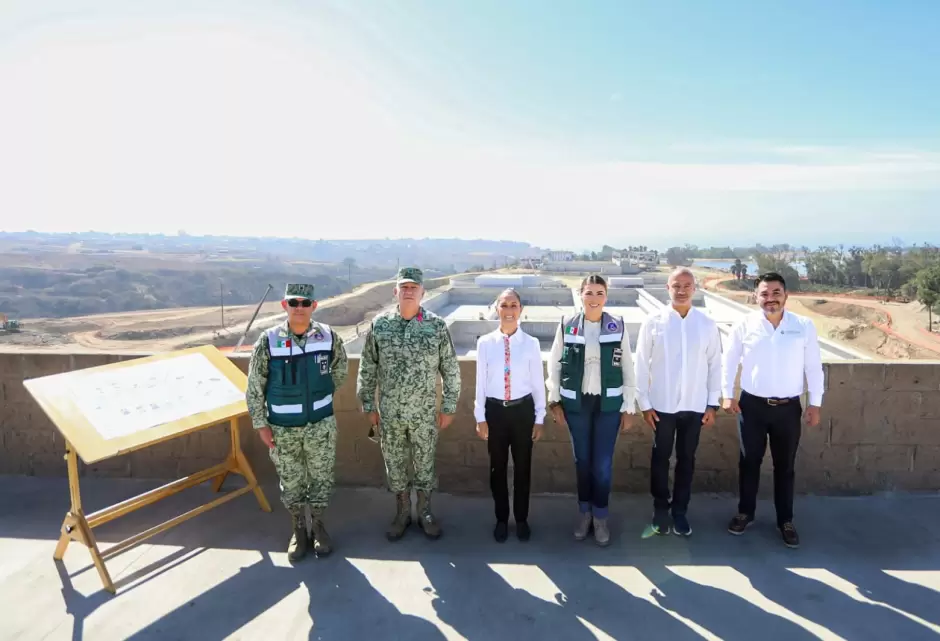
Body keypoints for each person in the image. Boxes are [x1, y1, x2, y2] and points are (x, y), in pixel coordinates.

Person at [357, 266, 461, 541]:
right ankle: (402, 512)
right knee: (395, 465)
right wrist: (368, 405)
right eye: (404, 287)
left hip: (425, 414)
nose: (408, 291)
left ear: (423, 292)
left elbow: (450, 369)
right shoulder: (381, 325)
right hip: (390, 413)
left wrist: (448, 406)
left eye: (414, 287)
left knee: (425, 464)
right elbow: (367, 367)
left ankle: (425, 512)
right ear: (396, 292)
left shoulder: (436, 326)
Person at [246, 283, 348, 562]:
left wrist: (318, 394)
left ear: (314, 306)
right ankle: (298, 530)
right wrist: (261, 425)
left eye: (306, 303)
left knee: (321, 480)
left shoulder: (328, 336)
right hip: (282, 429)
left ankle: (318, 526)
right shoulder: (268, 341)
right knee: (291, 484)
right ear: (284, 306)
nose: (300, 308)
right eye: (294, 302)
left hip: (321, 426)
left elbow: (340, 371)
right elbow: (255, 386)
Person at [722, 271, 824, 548]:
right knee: (749, 463)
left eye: (776, 293)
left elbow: (813, 367)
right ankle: (745, 513)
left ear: (786, 295)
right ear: (756, 297)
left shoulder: (803, 325)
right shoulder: (744, 324)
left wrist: (815, 403)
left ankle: (785, 521)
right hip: (751, 406)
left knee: (785, 467)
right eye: (764, 294)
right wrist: (726, 394)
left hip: (788, 409)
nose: (770, 299)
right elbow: (729, 360)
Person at [546, 274, 637, 546]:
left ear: (606, 296)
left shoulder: (617, 326)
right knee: (582, 462)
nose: (594, 298)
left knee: (603, 465)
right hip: (577, 404)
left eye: (599, 293)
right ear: (581, 295)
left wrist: (629, 405)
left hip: (609, 404)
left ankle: (600, 517)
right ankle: (584, 513)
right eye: (589, 293)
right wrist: (555, 400)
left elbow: (628, 368)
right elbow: (555, 365)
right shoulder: (567, 325)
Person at [634, 267, 721, 538]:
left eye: (687, 285)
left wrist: (711, 403)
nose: (681, 290)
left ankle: (680, 512)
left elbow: (715, 364)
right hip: (661, 406)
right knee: (660, 458)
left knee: (687, 459)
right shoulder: (654, 322)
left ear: (695, 289)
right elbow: (640, 364)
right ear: (668, 288)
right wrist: (644, 403)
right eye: (676, 285)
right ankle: (660, 510)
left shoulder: (706, 324)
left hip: (694, 406)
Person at [473, 288, 546, 543]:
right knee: (498, 469)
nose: (509, 310)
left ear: (521, 310)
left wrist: (539, 417)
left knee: (523, 467)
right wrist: (479, 416)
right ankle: (502, 519)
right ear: (497, 309)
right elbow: (480, 383)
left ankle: (522, 519)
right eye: (504, 305)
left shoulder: (531, 344)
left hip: (523, 412)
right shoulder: (485, 343)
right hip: (495, 413)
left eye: (513, 305)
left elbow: (538, 383)